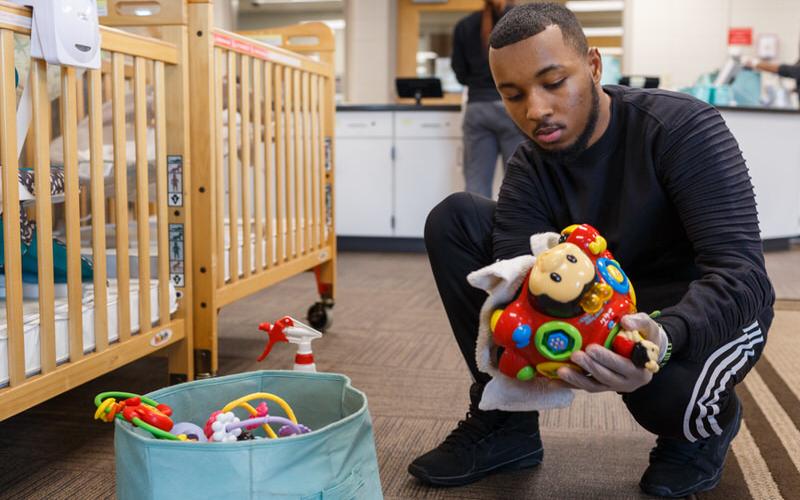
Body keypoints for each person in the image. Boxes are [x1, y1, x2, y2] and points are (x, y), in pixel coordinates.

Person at [409, 3, 775, 498]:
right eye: (512, 94)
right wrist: (536, 358)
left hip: (693, 306)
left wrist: (664, 338)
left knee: (665, 401)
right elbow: (517, 279)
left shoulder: (682, 129)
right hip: (593, 304)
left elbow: (743, 276)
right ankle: (505, 422)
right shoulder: (529, 166)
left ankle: (706, 428)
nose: (535, 110)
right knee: (456, 218)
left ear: (595, 66)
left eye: (554, 82)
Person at [452, 0, 525, 199]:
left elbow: (460, 73)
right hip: (512, 110)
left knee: (476, 183)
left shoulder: (465, 25)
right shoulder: (521, 22)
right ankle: (515, 230)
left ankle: (475, 230)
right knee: (519, 182)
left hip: (477, 109)